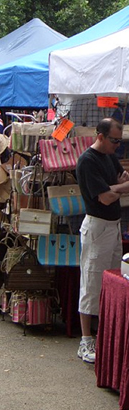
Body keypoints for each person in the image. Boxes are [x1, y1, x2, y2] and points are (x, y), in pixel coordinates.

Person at [76, 118, 129, 364]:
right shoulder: (88, 161)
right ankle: (85, 341)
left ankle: (102, 335)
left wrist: (117, 187)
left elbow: (118, 182)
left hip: (112, 225)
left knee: (110, 279)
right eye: (114, 140)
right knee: (92, 281)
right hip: (97, 226)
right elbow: (106, 197)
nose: (117, 145)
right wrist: (120, 187)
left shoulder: (108, 156)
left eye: (120, 140)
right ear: (100, 136)